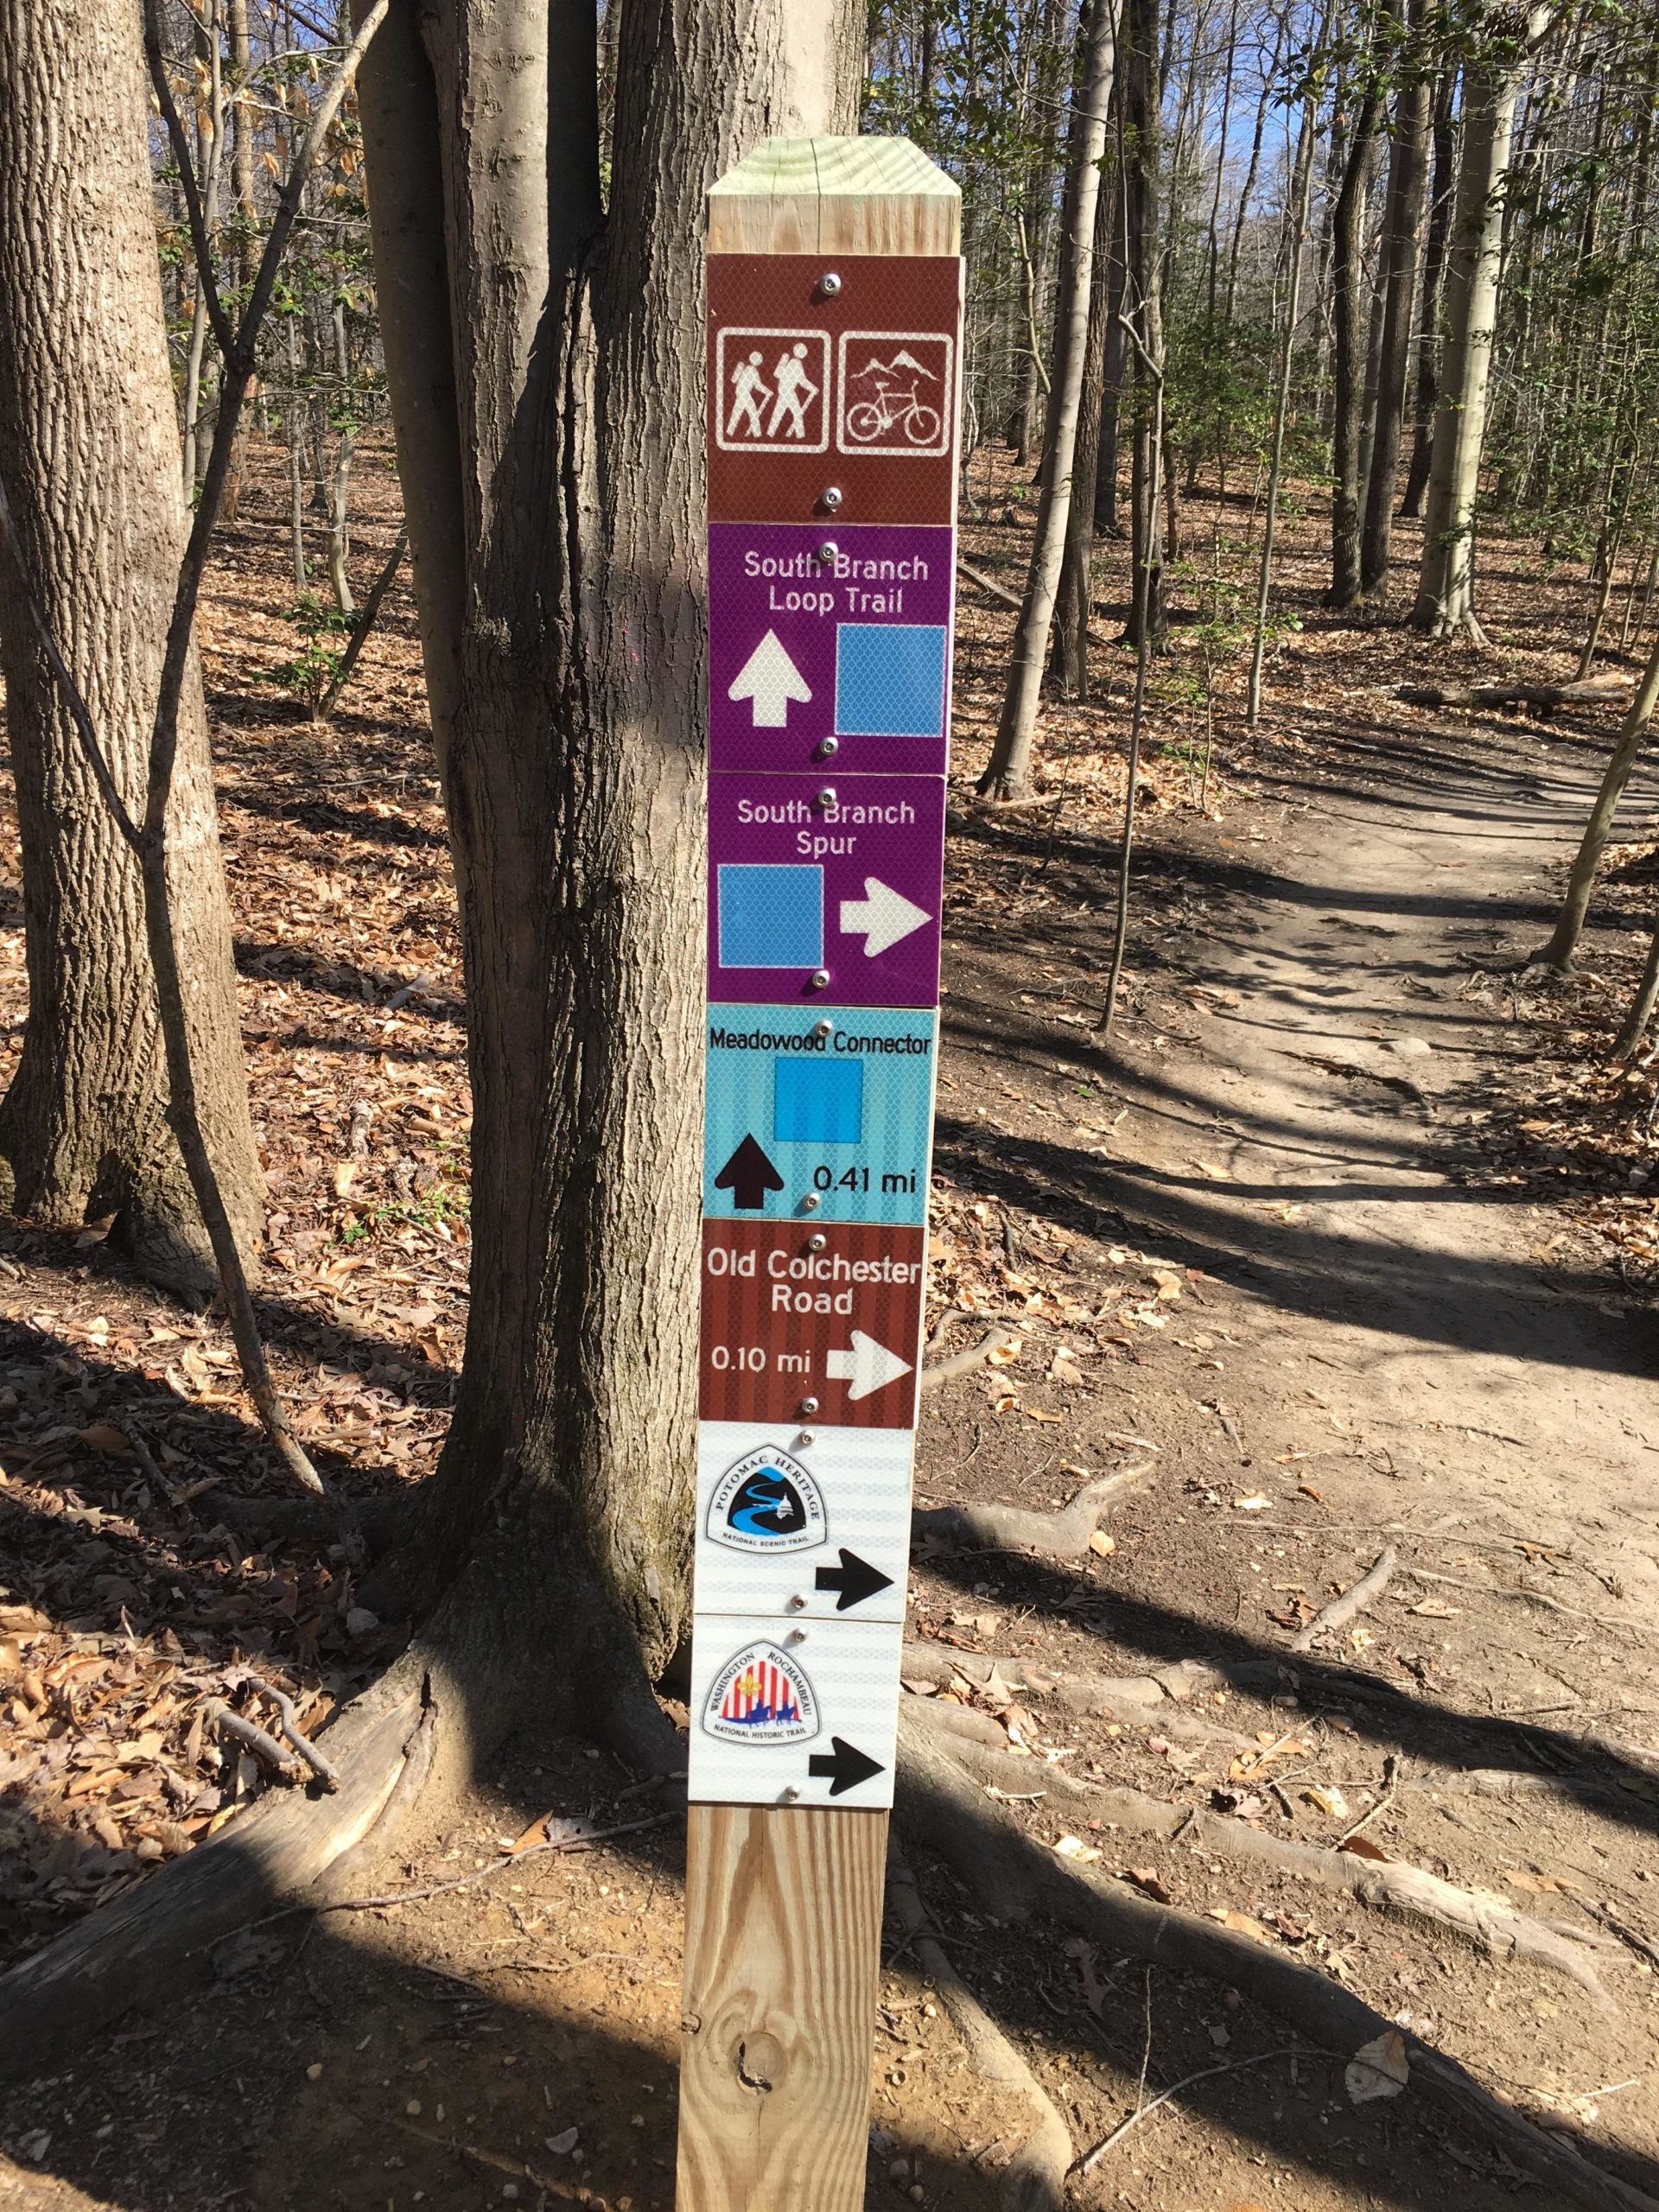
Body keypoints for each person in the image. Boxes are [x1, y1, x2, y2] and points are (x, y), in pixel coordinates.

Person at [766, 340, 818, 439]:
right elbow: (802, 380)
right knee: (797, 413)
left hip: (782, 390)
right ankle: (800, 436)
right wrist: (813, 388)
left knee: (778, 413)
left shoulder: (789, 361)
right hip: (789, 391)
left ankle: (770, 433)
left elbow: (778, 375)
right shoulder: (797, 363)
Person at [728, 348, 770, 439]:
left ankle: (729, 432)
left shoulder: (747, 368)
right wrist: (767, 391)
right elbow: (757, 385)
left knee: (737, 413)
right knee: (753, 413)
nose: (760, 362)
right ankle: (757, 435)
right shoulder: (752, 370)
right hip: (744, 394)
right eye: (759, 360)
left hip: (740, 393)